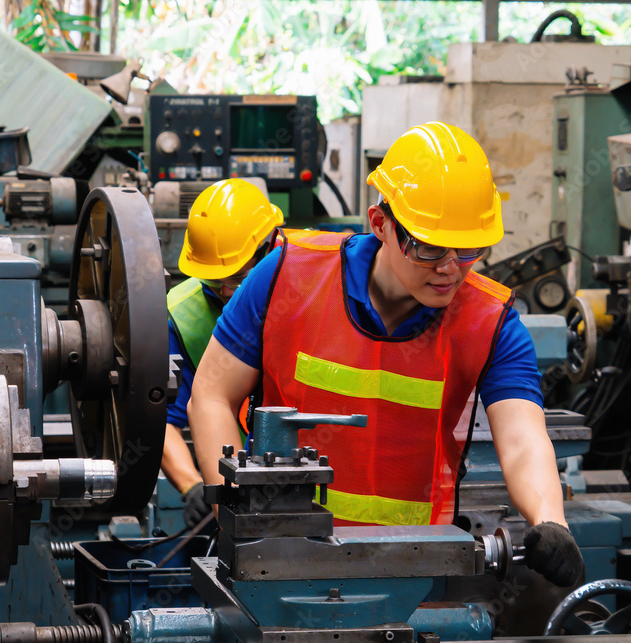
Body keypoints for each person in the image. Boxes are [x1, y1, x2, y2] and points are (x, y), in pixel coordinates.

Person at [188, 122, 584, 588]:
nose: (449, 268)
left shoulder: (489, 321)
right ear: (381, 224)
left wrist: (549, 519)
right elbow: (211, 395)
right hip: (277, 556)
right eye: (430, 245)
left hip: (415, 566)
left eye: (468, 248)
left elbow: (521, 438)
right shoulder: (288, 276)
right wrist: (236, 513)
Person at [160, 178, 283, 528]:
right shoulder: (182, 316)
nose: (229, 294)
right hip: (234, 480)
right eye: (214, 283)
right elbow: (163, 420)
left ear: (271, 247)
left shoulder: (306, 288)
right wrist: (193, 486)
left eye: (240, 278)